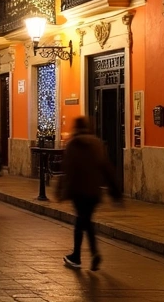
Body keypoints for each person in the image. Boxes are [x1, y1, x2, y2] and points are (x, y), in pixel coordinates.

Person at [57, 116, 121, 271]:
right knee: (86, 220)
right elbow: (106, 166)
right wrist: (115, 189)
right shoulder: (97, 143)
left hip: (78, 190)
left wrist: (60, 189)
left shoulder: (72, 143)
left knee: (81, 221)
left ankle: (79, 255)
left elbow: (67, 169)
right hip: (94, 190)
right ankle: (91, 254)